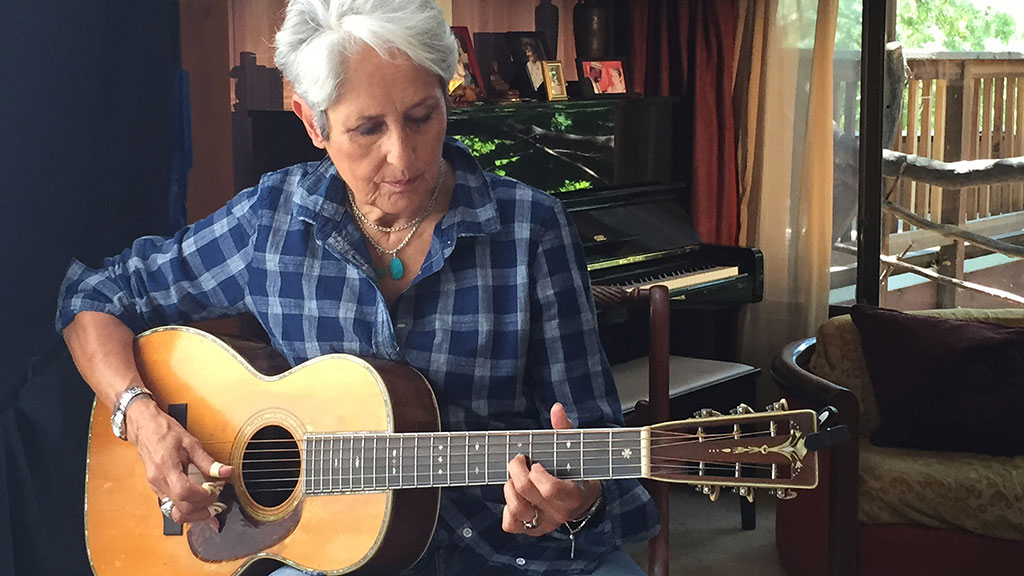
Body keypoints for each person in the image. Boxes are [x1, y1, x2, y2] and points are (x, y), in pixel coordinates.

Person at [55, 1, 658, 575]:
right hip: (319, 555)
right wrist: (139, 416)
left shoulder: (532, 230)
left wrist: (577, 502)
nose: (403, 156)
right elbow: (93, 297)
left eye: (423, 116)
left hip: (508, 554)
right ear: (310, 121)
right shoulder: (272, 220)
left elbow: (601, 454)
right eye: (367, 128)